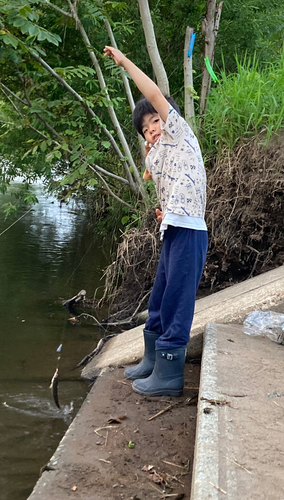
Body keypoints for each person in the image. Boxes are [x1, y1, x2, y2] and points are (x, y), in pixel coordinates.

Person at [104, 46, 208, 397]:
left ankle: (168, 376)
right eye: (145, 129)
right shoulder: (163, 152)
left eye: (155, 121)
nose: (151, 129)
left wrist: (124, 62)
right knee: (160, 297)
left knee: (178, 301)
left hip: (190, 234)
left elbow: (151, 93)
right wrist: (167, 210)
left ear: (169, 117)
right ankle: (152, 360)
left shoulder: (180, 133)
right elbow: (174, 183)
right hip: (174, 229)